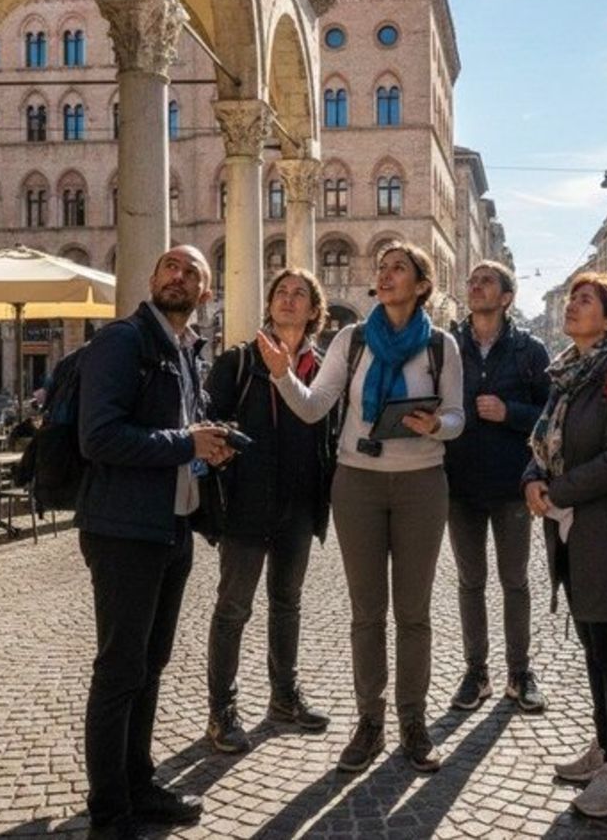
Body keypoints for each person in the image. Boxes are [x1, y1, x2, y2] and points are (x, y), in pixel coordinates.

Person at [256, 240, 464, 774]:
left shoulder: (442, 346)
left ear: (422, 285)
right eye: (383, 267)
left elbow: (459, 417)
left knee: (414, 614)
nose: (387, 274)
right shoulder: (350, 339)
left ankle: (413, 722)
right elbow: (313, 408)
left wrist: (437, 425)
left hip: (421, 483)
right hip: (358, 485)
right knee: (366, 614)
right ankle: (370, 721)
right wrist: (282, 374)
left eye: (399, 268)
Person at [76, 245, 235, 840]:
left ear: (206, 292)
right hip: (121, 528)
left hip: (171, 524)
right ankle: (109, 812)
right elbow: (100, 437)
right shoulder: (123, 341)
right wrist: (186, 443)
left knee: (151, 664)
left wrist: (210, 445)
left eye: (193, 271)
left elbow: (183, 432)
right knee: (120, 670)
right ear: (152, 278)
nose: (179, 275)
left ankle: (138, 786)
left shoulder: (188, 350)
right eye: (170, 265)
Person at [525, 272, 607, 818]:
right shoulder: (568, 376)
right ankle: (605, 748)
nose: (572, 305)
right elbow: (542, 440)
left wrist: (553, 488)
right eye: (573, 297)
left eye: (585, 300)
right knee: (593, 645)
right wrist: (530, 477)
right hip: (572, 530)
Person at [202, 268, 334, 753]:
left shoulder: (322, 368)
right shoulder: (238, 361)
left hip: (298, 506)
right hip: (245, 504)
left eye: (300, 294)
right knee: (233, 608)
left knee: (287, 604)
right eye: (281, 292)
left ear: (314, 311)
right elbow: (207, 418)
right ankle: (222, 710)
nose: (288, 300)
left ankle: (283, 697)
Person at [444, 260, 551, 714]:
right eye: (472, 281)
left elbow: (551, 418)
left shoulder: (530, 350)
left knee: (515, 582)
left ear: (507, 297)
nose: (475, 286)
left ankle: (519, 672)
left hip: (512, 485)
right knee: (470, 582)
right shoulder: (448, 346)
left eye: (486, 281)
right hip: (460, 483)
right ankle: (476, 672)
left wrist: (510, 413)